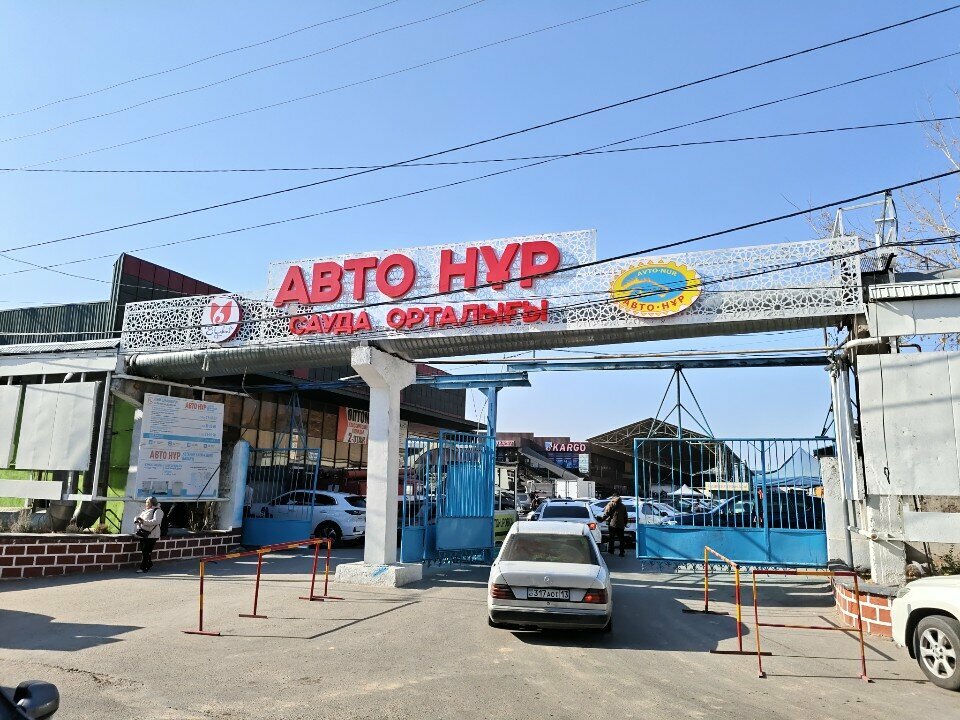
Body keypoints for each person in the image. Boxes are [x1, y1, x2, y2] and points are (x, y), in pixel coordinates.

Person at [134, 497, 163, 573]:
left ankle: (144, 568)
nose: (146, 504)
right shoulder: (146, 510)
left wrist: (143, 522)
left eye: (148, 502)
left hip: (152, 534)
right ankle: (149, 564)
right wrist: (137, 519)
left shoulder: (158, 511)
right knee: (145, 551)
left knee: (146, 551)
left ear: (152, 503)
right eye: (146, 502)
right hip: (143, 533)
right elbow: (140, 517)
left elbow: (156, 521)